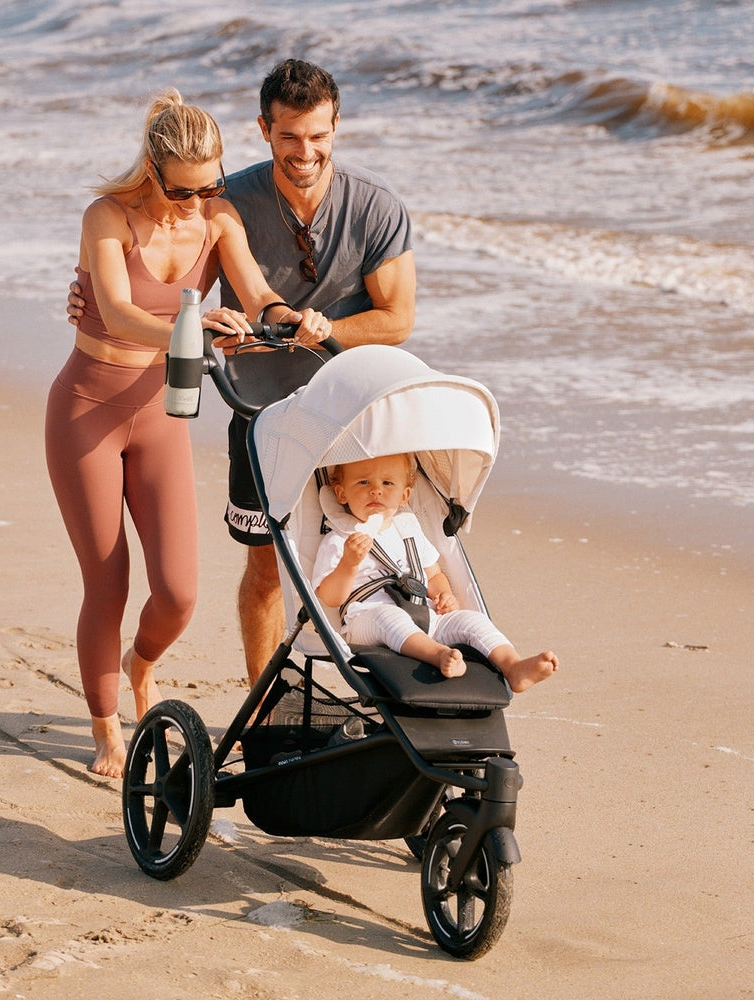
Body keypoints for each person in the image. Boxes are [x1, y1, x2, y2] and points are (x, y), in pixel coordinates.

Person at [69, 61, 416, 687]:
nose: (304, 151)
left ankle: (388, 692)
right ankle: (261, 704)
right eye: (288, 136)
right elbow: (128, 293)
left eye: (318, 135)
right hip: (256, 413)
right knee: (260, 567)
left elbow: (379, 317)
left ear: (337, 127)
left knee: (372, 555)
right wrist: (97, 299)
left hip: (351, 413)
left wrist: (311, 324)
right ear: (265, 130)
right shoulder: (222, 199)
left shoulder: (370, 207)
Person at [46, 90, 331, 779]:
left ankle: (139, 664)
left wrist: (288, 316)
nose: (195, 203)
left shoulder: (216, 218)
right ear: (152, 169)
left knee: (178, 593)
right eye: (182, 190)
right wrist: (192, 322)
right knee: (108, 582)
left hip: (160, 416)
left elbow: (257, 292)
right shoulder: (106, 218)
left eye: (209, 188)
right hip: (87, 408)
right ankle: (106, 727)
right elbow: (114, 311)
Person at [312, 454, 558, 692]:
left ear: (404, 496)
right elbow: (330, 597)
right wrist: (349, 563)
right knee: (388, 617)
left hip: (424, 613)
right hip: (367, 619)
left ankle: (512, 666)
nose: (376, 490)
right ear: (341, 493)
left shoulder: (409, 532)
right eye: (363, 482)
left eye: (387, 483)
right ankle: (438, 654)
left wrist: (444, 594)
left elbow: (433, 573)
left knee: (472, 621)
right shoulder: (339, 539)